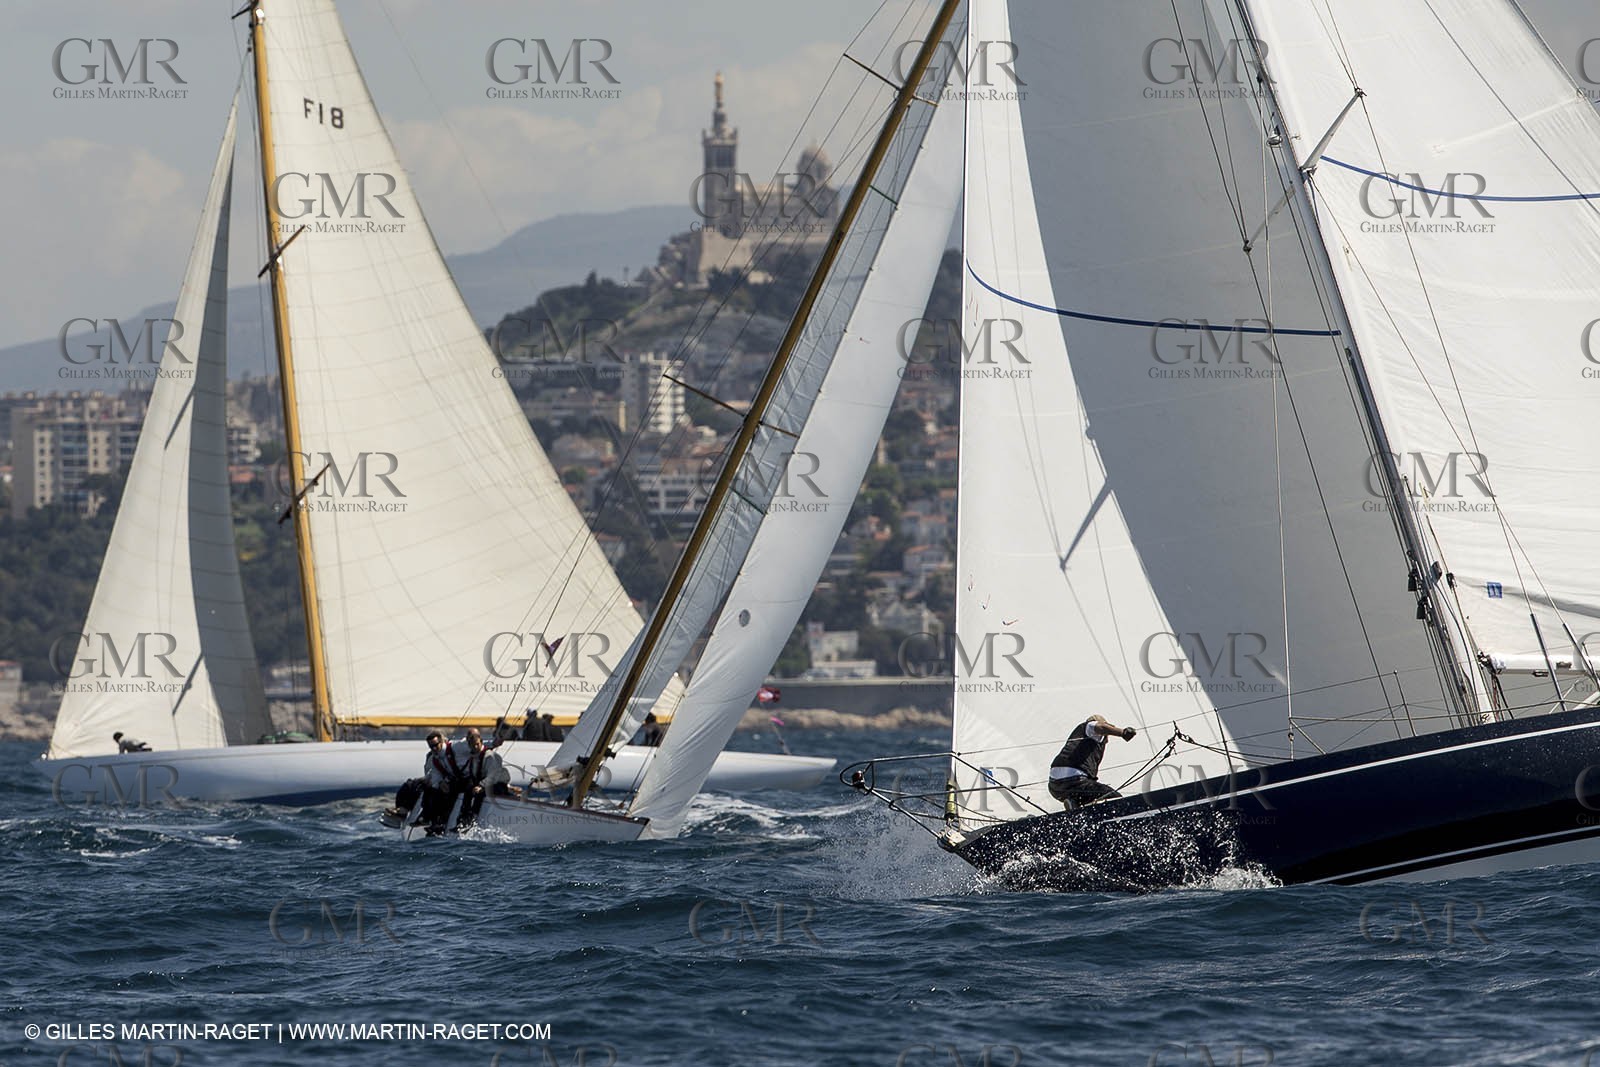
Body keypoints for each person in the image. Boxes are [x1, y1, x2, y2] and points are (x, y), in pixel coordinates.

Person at [1048, 714, 1137, 809]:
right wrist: (1122, 732)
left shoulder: (1083, 739)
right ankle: (1076, 803)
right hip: (1075, 781)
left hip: (1055, 786)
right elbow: (1100, 727)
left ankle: (1074, 803)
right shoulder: (1090, 727)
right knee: (1114, 798)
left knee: (1088, 796)